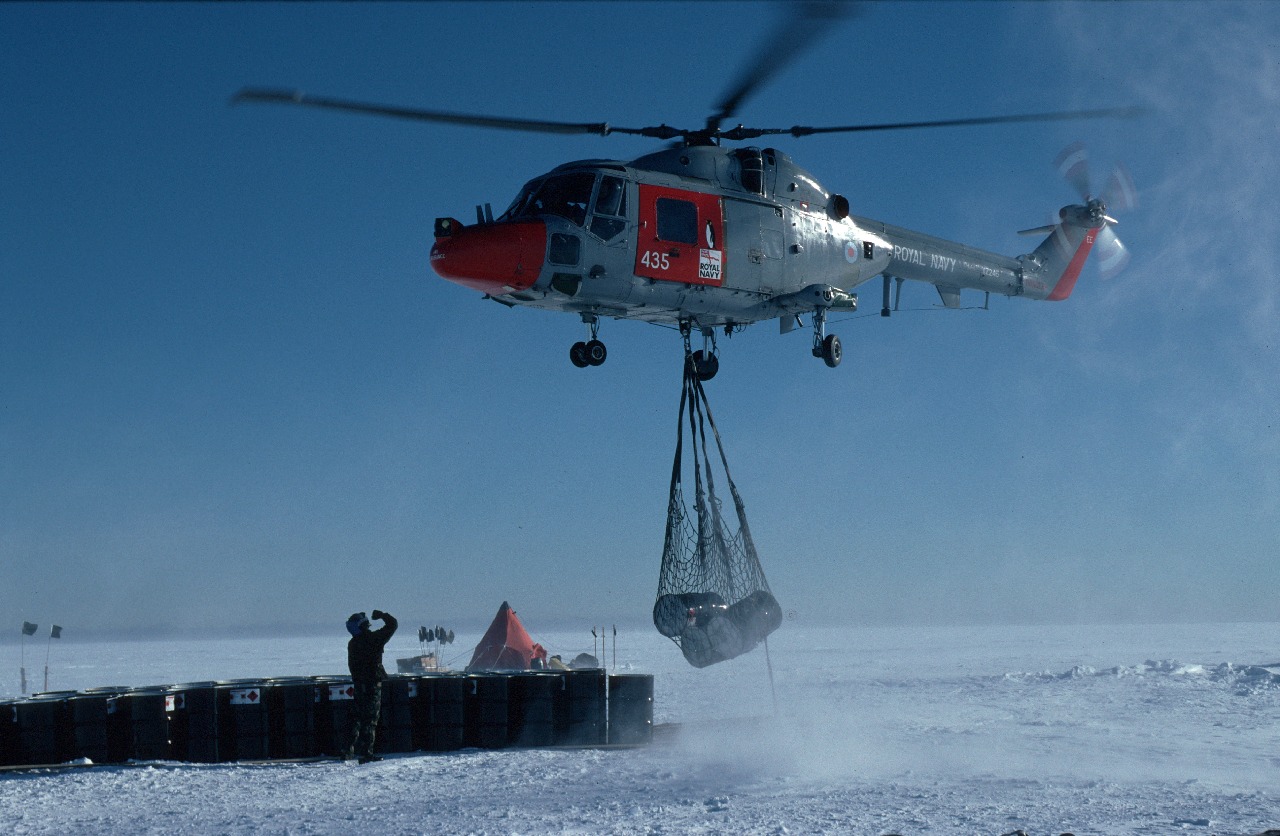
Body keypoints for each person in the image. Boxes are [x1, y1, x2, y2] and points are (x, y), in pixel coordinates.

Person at [344, 608, 397, 763]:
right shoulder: (375, 639)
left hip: (359, 685)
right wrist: (382, 615)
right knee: (370, 719)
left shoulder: (352, 643)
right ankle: (367, 753)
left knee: (356, 717)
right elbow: (393, 624)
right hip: (373, 684)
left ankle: (348, 750)